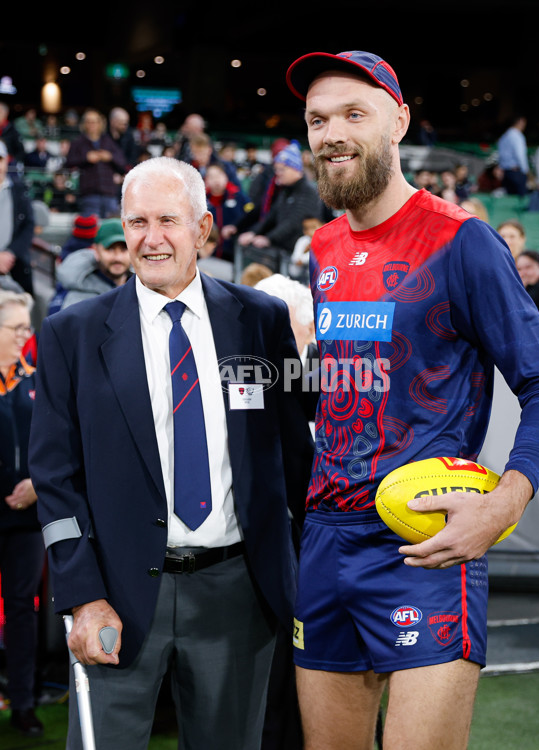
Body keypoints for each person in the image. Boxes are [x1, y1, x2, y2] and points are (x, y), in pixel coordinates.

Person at [285, 49, 539, 750]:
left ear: (399, 123)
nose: (331, 133)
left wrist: (503, 505)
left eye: (354, 114)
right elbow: (349, 383)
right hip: (325, 542)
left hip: (424, 547)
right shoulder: (322, 246)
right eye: (318, 119)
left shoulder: (462, 240)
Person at [28, 155, 314, 750]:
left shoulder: (261, 321)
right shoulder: (70, 333)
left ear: (204, 229)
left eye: (168, 220)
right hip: (115, 597)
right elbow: (54, 477)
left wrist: (312, 568)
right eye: (136, 223)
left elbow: (296, 459)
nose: (151, 239)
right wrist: (82, 594)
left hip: (239, 596)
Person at [0, 290, 45, 738]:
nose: (24, 336)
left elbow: (55, 447)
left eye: (26, 327)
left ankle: (24, 703)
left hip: (29, 518)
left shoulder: (37, 380)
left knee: (23, 612)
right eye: (16, 328)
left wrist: (37, 483)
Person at [237, 142, 324, 275]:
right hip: (282, 254)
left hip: (300, 259)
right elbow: (271, 216)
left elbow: (294, 222)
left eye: (282, 169)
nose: (278, 173)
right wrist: (254, 233)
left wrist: (269, 238)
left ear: (295, 169)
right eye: (276, 169)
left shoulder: (308, 192)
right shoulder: (285, 191)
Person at [47, 217, 132, 314]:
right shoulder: (78, 299)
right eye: (110, 249)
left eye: (124, 249)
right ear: (95, 250)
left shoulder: (141, 287)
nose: (118, 257)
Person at [64, 108, 128, 218]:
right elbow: (69, 162)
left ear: (100, 124)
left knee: (111, 228)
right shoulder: (78, 142)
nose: (91, 125)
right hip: (89, 193)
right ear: (84, 124)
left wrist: (110, 157)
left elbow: (122, 162)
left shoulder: (108, 141)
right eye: (88, 122)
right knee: (91, 229)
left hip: (109, 193)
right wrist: (86, 158)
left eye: (94, 122)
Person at [0, 140, 35, 295]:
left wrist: (10, 253)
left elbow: (28, 224)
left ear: (6, 161)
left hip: (14, 267)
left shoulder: (19, 190)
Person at [204, 161, 254, 262]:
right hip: (208, 255)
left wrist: (236, 227)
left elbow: (252, 216)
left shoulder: (238, 197)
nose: (216, 180)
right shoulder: (202, 200)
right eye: (212, 177)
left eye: (218, 175)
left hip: (234, 255)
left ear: (226, 177)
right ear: (206, 180)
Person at [496, 115, 530, 196]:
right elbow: (520, 155)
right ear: (520, 122)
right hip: (516, 172)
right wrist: (526, 170)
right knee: (521, 200)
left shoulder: (504, 136)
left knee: (509, 200)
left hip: (506, 173)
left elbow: (500, 155)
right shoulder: (517, 136)